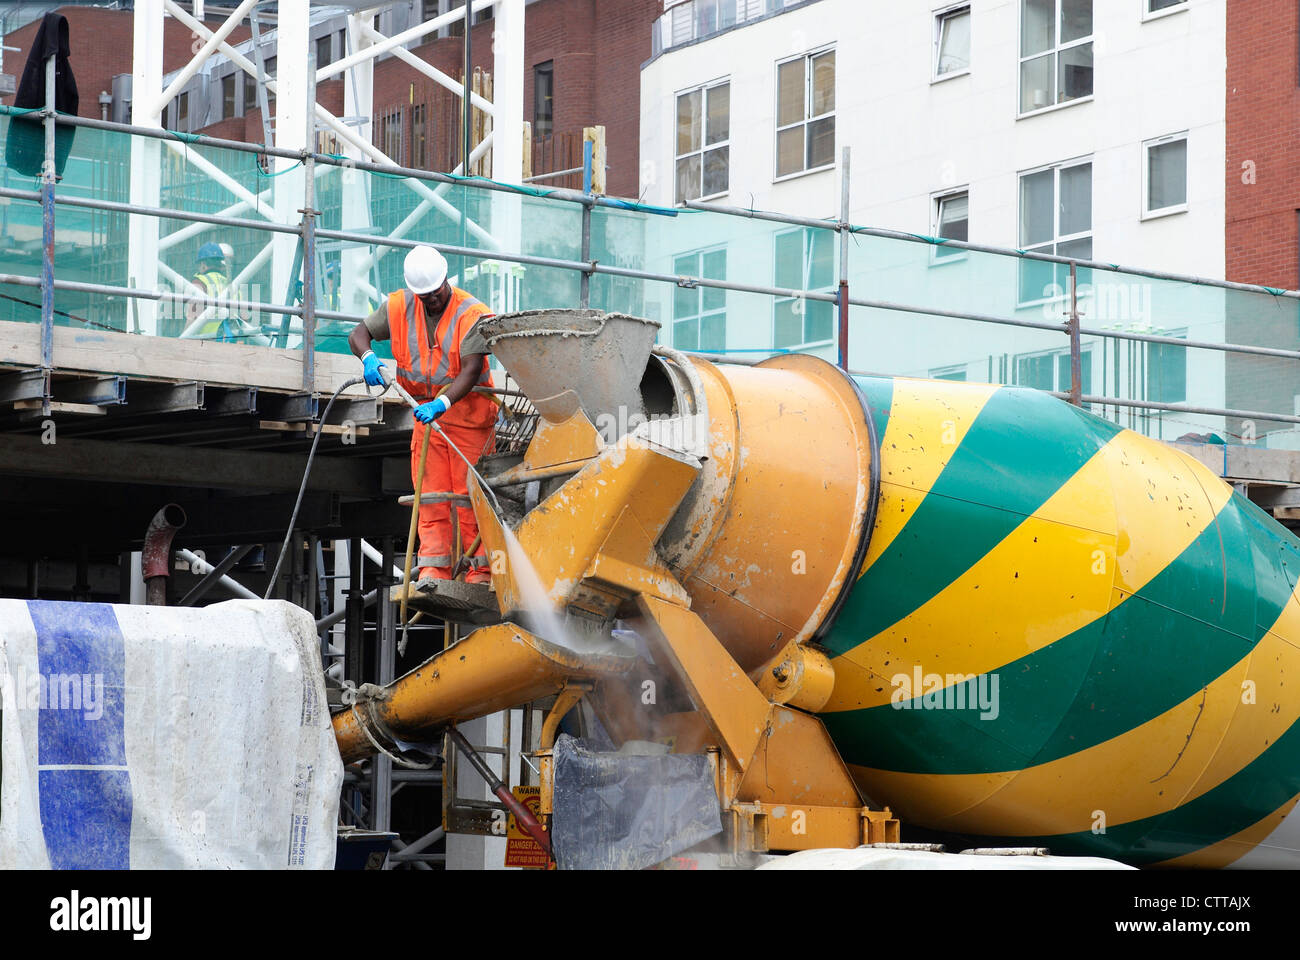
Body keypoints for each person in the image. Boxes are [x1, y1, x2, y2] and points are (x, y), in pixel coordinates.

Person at [349, 245, 497, 584]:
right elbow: (358, 334)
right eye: (424, 296)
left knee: (468, 497)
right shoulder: (400, 306)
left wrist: (443, 404)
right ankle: (436, 568)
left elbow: (472, 369)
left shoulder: (472, 313)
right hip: (426, 419)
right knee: (430, 497)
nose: (430, 300)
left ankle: (480, 570)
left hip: (468, 417)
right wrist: (369, 357)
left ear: (446, 279)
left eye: (435, 293)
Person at [185, 242, 236, 339]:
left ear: (203, 264)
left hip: (206, 342)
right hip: (231, 341)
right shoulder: (233, 285)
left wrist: (182, 339)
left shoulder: (199, 282)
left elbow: (192, 318)